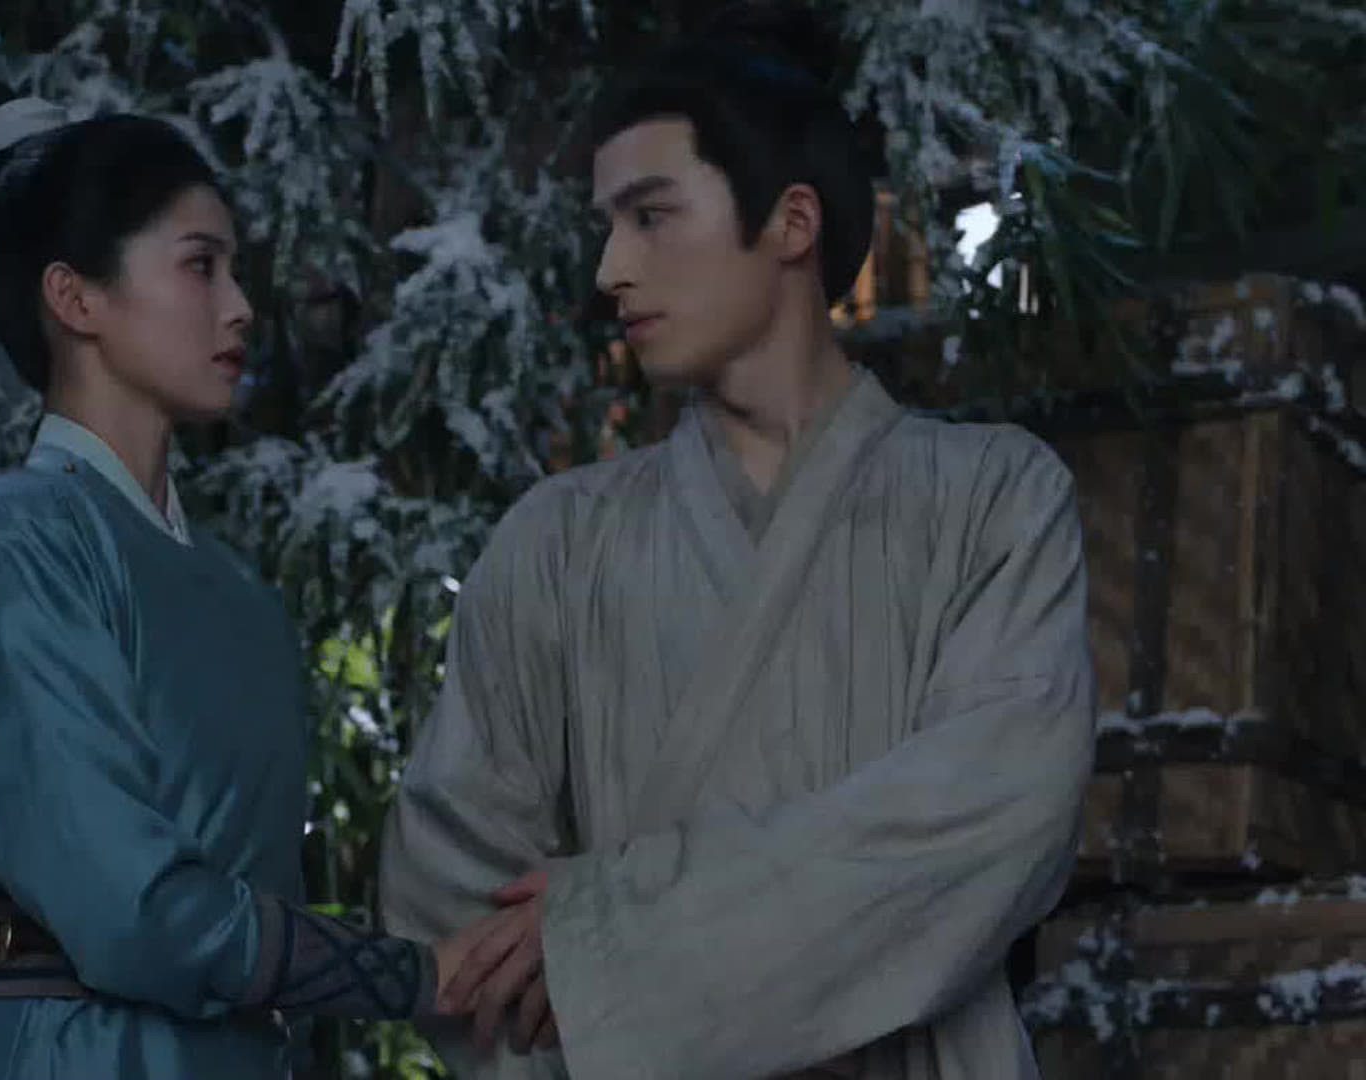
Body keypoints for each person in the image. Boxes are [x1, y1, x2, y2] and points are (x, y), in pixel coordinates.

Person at [378, 9, 1097, 1080]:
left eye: (651, 215)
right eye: (606, 226)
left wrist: (602, 941)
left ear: (792, 221)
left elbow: (992, 819)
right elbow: (451, 894)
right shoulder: (556, 545)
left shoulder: (994, 500)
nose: (611, 268)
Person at [0, 72, 481, 1080]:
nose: (240, 306)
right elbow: (134, 910)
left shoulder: (236, 588)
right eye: (200, 266)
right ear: (76, 296)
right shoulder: (20, 542)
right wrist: (414, 977)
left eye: (235, 269)